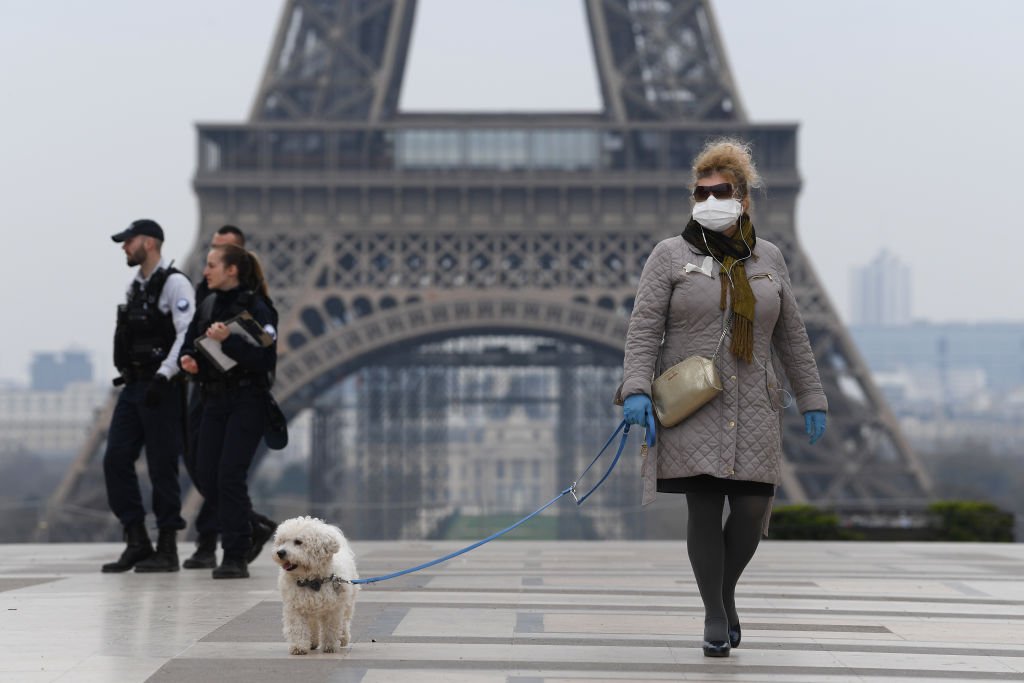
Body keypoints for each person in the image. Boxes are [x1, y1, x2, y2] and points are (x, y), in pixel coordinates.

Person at [617, 139, 828, 657]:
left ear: (744, 198)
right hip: (694, 400)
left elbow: (793, 335)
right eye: (701, 190)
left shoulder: (770, 258)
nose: (710, 199)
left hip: (754, 399)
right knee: (705, 507)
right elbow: (644, 329)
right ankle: (715, 614)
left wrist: (812, 396)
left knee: (753, 507)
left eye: (721, 190)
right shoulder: (670, 255)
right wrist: (636, 390)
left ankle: (723, 593)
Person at [181, 225, 278, 570]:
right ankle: (251, 526)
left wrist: (229, 341)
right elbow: (192, 341)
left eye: (211, 265)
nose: (204, 271)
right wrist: (189, 360)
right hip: (213, 399)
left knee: (229, 476)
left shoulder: (257, 307)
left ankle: (235, 553)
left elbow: (265, 359)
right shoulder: (207, 304)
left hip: (246, 401)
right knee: (206, 475)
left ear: (231, 269)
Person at [101, 219, 195, 573]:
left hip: (161, 386)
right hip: (134, 385)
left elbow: (186, 334)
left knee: (162, 466)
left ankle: (167, 547)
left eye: (129, 240)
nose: (124, 247)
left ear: (150, 242)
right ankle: (137, 538)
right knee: (115, 459)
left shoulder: (175, 284)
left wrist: (164, 375)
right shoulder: (136, 287)